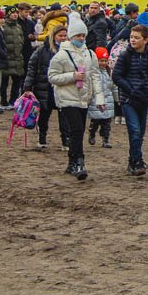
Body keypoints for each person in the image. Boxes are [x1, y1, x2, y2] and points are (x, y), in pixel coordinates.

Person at [47, 17, 106, 180]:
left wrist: (99, 98)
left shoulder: (90, 54)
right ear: (71, 36)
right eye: (78, 35)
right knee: (77, 129)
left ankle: (72, 162)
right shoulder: (61, 55)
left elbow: (95, 76)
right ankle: (79, 162)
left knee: (78, 131)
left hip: (83, 97)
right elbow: (52, 77)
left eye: (83, 35)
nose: (81, 38)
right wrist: (72, 76)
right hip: (67, 98)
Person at [111, 24, 148, 177]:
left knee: (140, 133)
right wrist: (130, 90)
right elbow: (116, 76)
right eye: (131, 37)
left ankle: (133, 160)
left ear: (145, 40)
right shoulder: (125, 56)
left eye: (137, 38)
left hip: (144, 99)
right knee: (135, 130)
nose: (133, 40)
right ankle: (137, 162)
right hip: (128, 99)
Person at [23, 24, 67, 150]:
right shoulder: (42, 50)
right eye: (60, 36)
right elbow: (31, 68)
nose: (63, 38)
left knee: (65, 117)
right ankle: (42, 138)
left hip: (62, 87)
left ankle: (66, 141)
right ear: (54, 36)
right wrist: (27, 87)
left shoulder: (69, 51)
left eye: (65, 36)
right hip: (44, 87)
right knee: (44, 116)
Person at [88, 47, 117, 149]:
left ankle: (105, 140)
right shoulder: (93, 72)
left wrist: (117, 98)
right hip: (96, 101)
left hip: (108, 101)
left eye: (105, 61)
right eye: (101, 61)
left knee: (107, 123)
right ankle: (92, 133)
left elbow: (114, 87)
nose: (103, 63)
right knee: (96, 121)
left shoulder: (109, 72)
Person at [1, 6, 26, 106]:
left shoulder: (18, 26)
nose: (15, 15)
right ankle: (3, 101)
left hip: (18, 58)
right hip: (6, 58)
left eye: (16, 13)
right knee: (4, 82)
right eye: (13, 13)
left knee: (17, 81)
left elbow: (22, 40)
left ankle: (13, 100)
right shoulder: (3, 26)